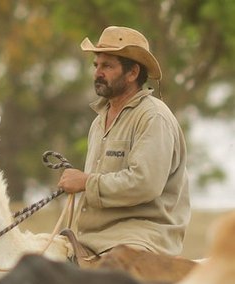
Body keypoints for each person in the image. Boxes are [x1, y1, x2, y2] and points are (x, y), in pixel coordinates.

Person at [57, 26, 191, 265]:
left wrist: (86, 182)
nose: (98, 72)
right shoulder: (99, 122)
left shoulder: (153, 117)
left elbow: (144, 184)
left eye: (107, 66)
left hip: (142, 237)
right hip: (92, 238)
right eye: (96, 65)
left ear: (132, 73)